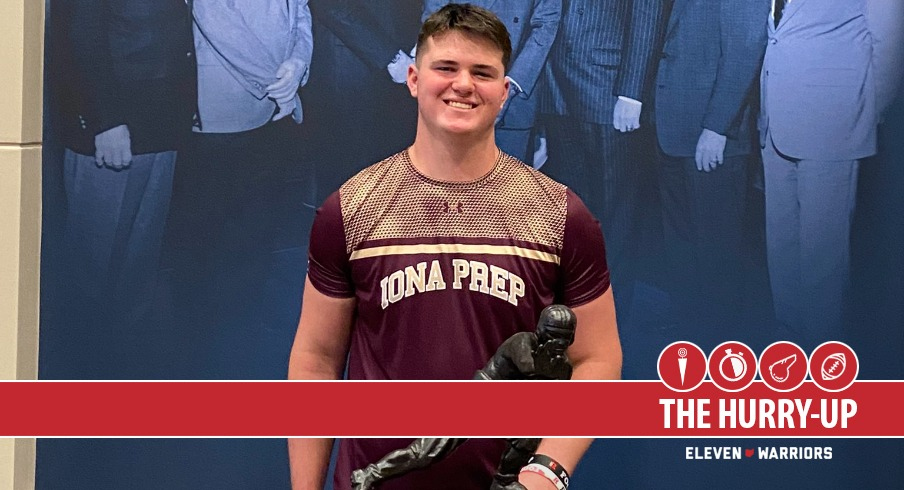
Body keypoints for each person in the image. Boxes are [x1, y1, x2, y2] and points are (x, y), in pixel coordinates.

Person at [287, 5, 621, 490]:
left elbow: (599, 359)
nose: (463, 84)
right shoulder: (351, 208)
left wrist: (547, 471)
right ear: (413, 79)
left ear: (505, 91)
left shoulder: (559, 214)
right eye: (446, 67)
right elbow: (316, 361)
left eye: (482, 73)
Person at [163, 0, 313, 367]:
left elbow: (301, 12)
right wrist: (280, 86)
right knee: (206, 249)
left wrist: (298, 65)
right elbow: (216, 20)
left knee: (255, 237)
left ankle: (242, 346)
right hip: (222, 113)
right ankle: (198, 359)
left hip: (270, 113)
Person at [759, 0, 904, 347]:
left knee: (823, 259)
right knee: (781, 248)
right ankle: (789, 350)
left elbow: (888, 40)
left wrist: (863, 112)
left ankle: (823, 357)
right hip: (774, 117)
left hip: (833, 122)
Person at [53, 0, 195, 334]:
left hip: (161, 125)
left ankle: (124, 352)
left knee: (139, 264)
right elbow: (81, 35)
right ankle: (83, 354)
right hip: (115, 134)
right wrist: (107, 121)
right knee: (93, 265)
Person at [536, 0, 662, 312]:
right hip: (556, 88)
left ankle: (612, 314)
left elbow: (647, 13)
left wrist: (632, 92)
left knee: (615, 210)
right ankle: (576, 307)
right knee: (571, 212)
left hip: (608, 88)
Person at [652, 0, 769, 336]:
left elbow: (745, 51)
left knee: (717, 245)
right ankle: (687, 322)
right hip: (672, 127)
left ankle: (719, 336)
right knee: (681, 239)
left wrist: (718, 127)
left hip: (711, 136)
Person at [419, 0, 562, 165]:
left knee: (509, 178)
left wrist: (512, 85)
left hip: (515, 102)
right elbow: (434, 21)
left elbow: (546, 25)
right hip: (454, 95)